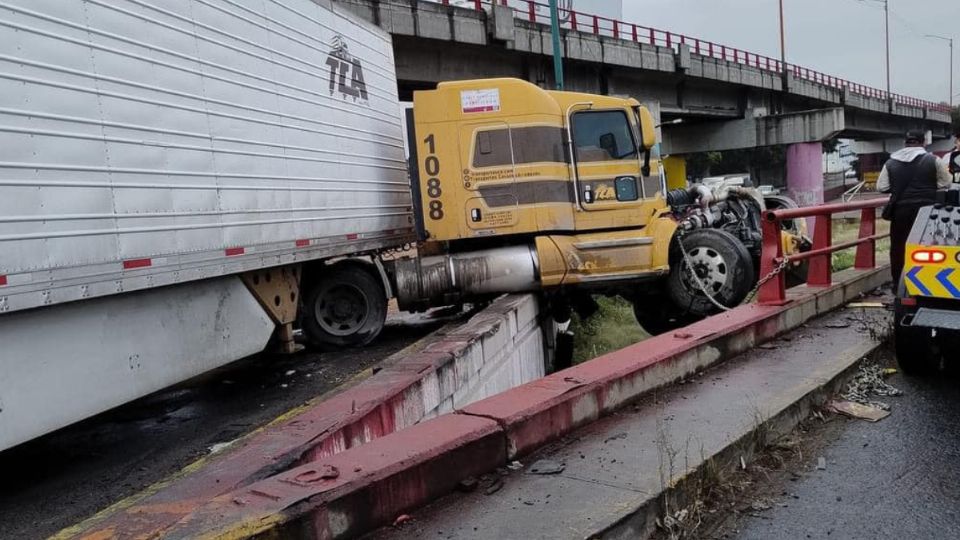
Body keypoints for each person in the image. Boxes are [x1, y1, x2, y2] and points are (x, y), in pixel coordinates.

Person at [877, 130, 953, 286]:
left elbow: (882, 187)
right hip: (927, 210)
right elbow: (946, 183)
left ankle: (898, 283)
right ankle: (928, 282)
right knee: (928, 246)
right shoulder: (933, 160)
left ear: (905, 142)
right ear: (923, 142)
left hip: (900, 210)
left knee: (899, 247)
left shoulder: (890, 162)